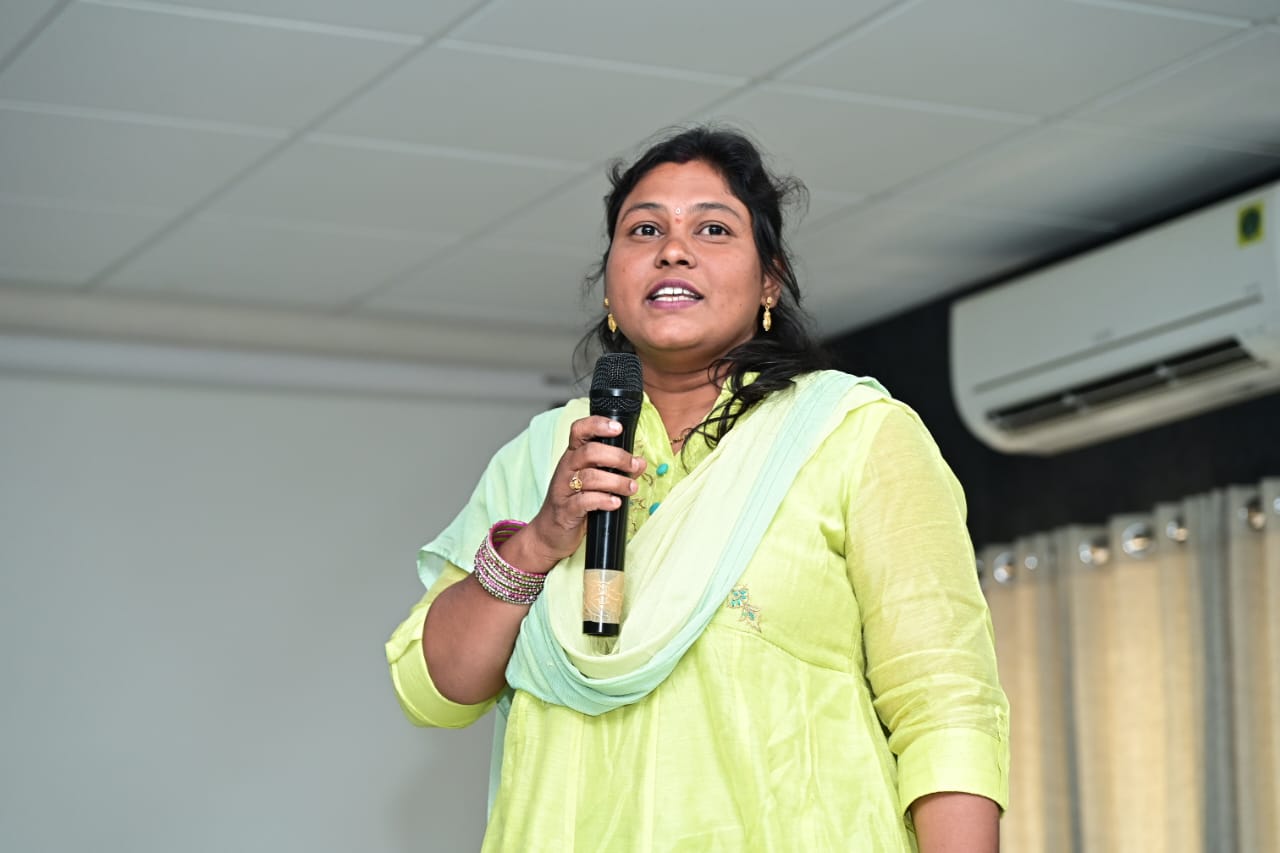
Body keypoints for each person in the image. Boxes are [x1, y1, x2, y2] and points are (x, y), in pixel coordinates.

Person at [385, 125, 1009, 851]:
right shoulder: (540, 458)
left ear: (770, 280)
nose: (673, 249)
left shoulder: (855, 435)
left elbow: (947, 707)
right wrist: (536, 543)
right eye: (644, 229)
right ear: (611, 284)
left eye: (713, 228)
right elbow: (436, 691)